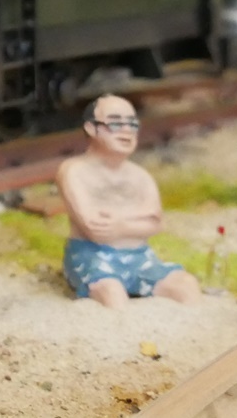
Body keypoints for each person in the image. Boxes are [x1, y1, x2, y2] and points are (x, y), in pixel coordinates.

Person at [56, 94, 202, 308]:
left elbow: (156, 224)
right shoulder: (74, 171)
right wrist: (138, 219)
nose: (126, 130)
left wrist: (120, 223)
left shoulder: (141, 176)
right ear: (91, 128)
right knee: (112, 293)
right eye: (115, 123)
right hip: (93, 256)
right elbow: (96, 230)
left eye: (132, 124)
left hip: (141, 257)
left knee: (186, 286)